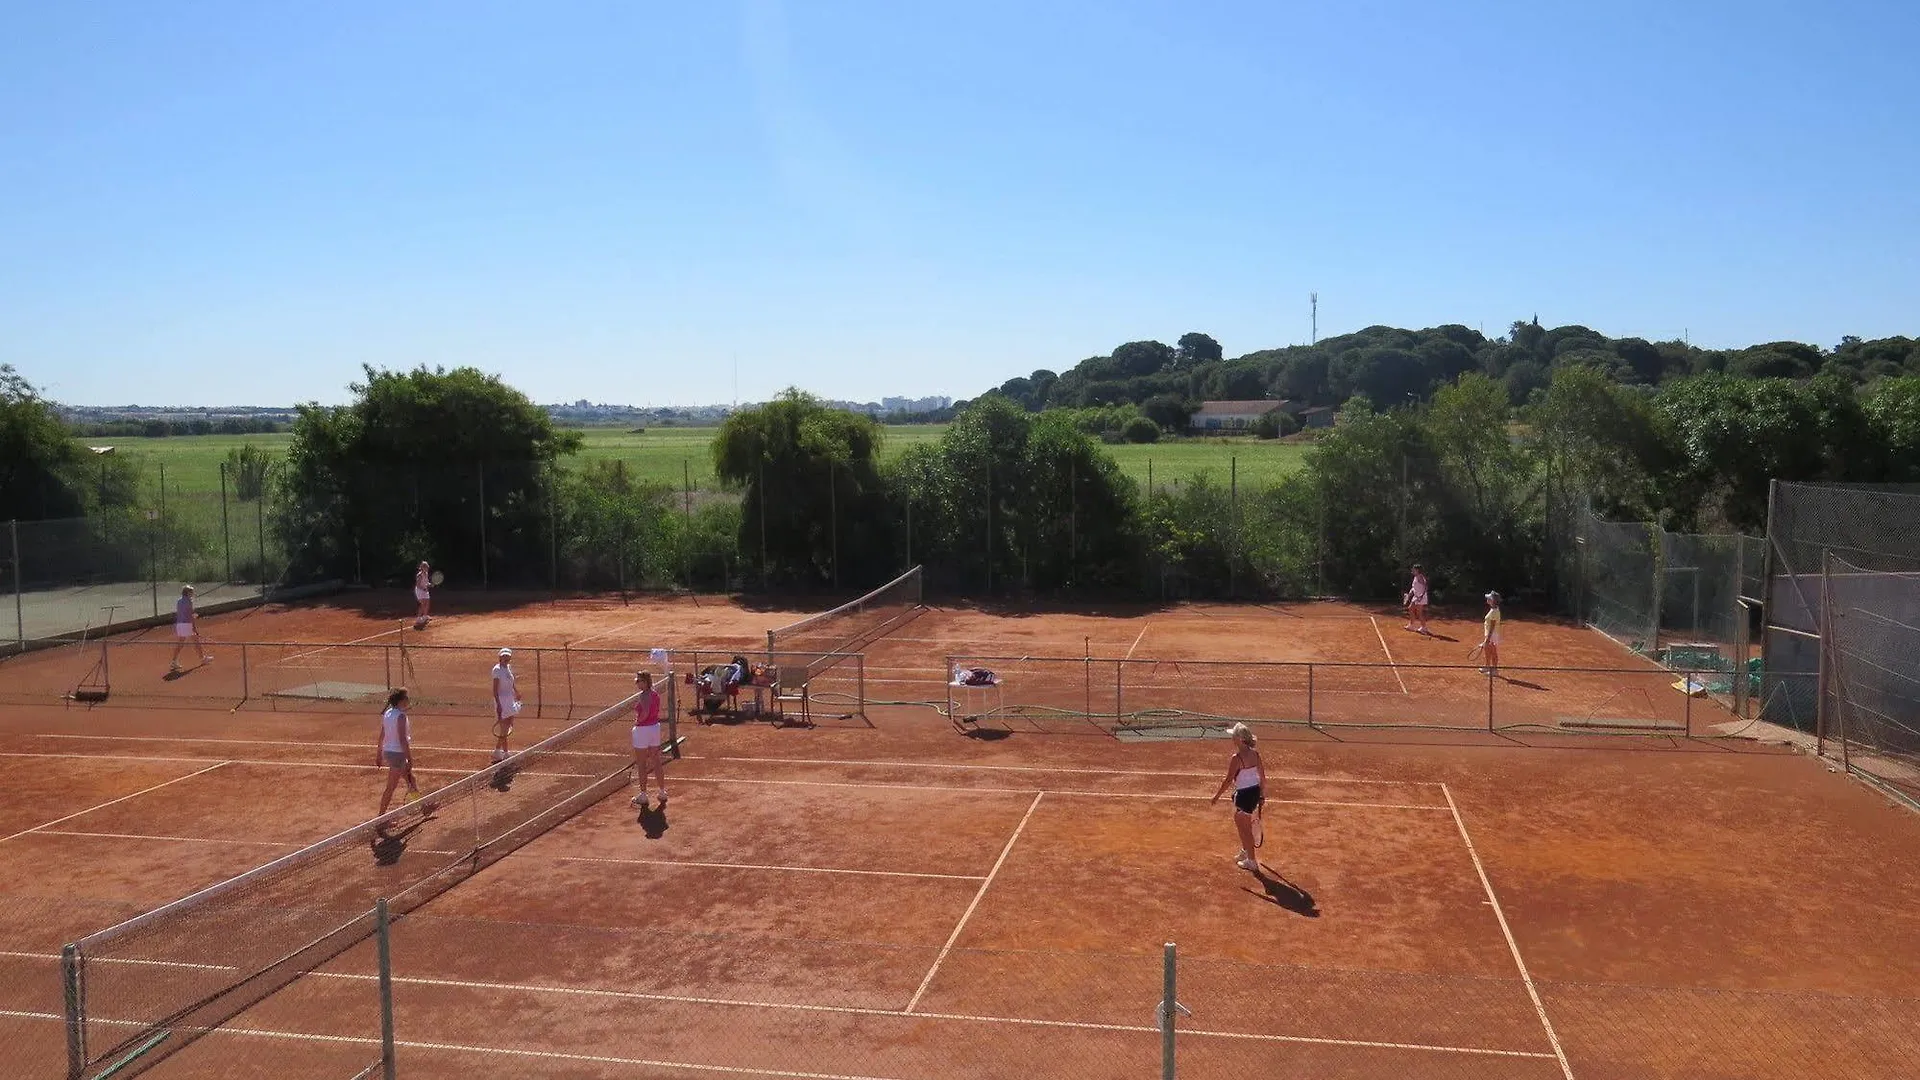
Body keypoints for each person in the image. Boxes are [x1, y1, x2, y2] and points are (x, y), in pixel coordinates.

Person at [1209, 723, 1265, 873]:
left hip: (1244, 796)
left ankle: (1251, 861)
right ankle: (1246, 851)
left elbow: (1228, 780)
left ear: (1239, 739)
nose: (1232, 738)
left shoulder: (1237, 758)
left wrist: (1216, 796)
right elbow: (1262, 777)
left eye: (1233, 736)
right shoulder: (1255, 754)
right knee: (1241, 824)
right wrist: (1262, 795)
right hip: (1254, 793)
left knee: (1244, 829)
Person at [375, 688, 421, 816]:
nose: (408, 700)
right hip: (397, 754)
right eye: (406, 698)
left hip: (389, 752)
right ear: (401, 700)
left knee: (411, 779)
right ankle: (380, 818)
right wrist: (409, 759)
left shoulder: (388, 713)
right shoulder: (400, 716)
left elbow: (382, 735)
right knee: (391, 787)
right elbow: (402, 740)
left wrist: (379, 753)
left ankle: (423, 807)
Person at [629, 671, 668, 810]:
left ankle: (643, 794)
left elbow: (644, 713)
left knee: (641, 764)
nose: (637, 683)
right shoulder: (655, 694)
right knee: (656, 761)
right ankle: (662, 792)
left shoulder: (644, 696)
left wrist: (638, 721)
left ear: (645, 682)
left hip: (643, 730)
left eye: (639, 681)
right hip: (654, 729)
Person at [168, 585, 213, 674]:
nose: (192, 594)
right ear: (188, 593)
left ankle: (174, 661)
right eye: (191, 592)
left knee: (181, 643)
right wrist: (194, 627)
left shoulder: (179, 601)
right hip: (186, 624)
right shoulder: (189, 601)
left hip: (180, 624)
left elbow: (183, 613)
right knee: (196, 642)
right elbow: (189, 615)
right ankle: (203, 659)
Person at [490, 648, 521, 763]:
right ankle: (505, 753)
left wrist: (516, 692)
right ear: (500, 657)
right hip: (501, 700)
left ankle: (498, 751)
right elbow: (495, 690)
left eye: (507, 656)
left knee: (508, 726)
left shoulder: (508, 668)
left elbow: (512, 683)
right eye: (504, 656)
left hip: (510, 699)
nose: (506, 658)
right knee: (504, 728)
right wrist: (498, 705)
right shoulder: (496, 670)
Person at [1478, 591, 1503, 675]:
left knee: (1493, 652)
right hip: (1489, 634)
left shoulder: (1494, 612)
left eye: (1489, 598)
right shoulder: (1493, 609)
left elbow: (1492, 627)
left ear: (1493, 601)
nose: (1487, 599)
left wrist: (1487, 640)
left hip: (1491, 635)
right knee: (1487, 650)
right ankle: (1487, 666)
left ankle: (1495, 670)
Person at [1403, 565, 1431, 635]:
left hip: (1420, 597)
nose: (1412, 570)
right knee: (1410, 609)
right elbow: (1413, 588)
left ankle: (1424, 628)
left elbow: (1425, 586)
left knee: (1419, 612)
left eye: (1413, 569)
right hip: (1416, 597)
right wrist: (1409, 595)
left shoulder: (1420, 577)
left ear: (1417, 570)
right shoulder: (1415, 577)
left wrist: (1421, 596)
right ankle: (1411, 625)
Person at [413, 562, 433, 628]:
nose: (427, 568)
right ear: (423, 568)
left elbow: (426, 582)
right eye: (426, 567)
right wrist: (423, 589)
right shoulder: (419, 575)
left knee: (427, 603)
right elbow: (418, 585)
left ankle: (425, 616)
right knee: (423, 604)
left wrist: (430, 584)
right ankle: (418, 619)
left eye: (427, 567)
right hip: (419, 591)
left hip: (425, 590)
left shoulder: (426, 574)